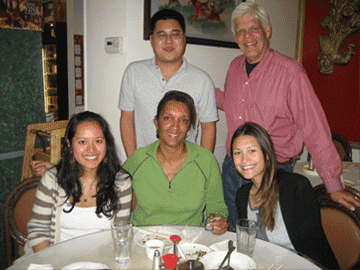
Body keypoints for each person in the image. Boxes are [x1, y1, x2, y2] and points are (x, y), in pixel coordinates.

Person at [216, 2, 360, 231]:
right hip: (234, 170)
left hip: (274, 174)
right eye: (240, 31)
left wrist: (333, 184)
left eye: (254, 28)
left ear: (267, 30)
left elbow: (314, 126)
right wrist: (202, 91)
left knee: (270, 245)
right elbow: (234, 105)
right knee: (236, 235)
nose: (247, 36)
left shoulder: (290, 72)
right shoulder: (234, 66)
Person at [232, 122, 339, 270]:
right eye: (238, 152)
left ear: (267, 154)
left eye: (251, 151)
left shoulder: (296, 187)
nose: (244, 160)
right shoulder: (242, 196)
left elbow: (313, 253)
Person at [122, 91, 228, 235]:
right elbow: (115, 200)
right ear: (156, 122)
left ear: (189, 125)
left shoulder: (205, 160)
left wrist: (218, 221)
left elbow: (217, 207)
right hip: (143, 239)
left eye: (183, 120)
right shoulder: (138, 158)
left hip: (189, 241)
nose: (175, 127)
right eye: (167, 118)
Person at [26, 111, 132, 254]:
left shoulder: (121, 182)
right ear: (69, 145)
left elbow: (120, 232)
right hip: (53, 259)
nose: (91, 149)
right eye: (82, 142)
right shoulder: (52, 180)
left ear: (106, 144)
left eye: (98, 141)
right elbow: (38, 231)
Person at [119, 9, 218, 158]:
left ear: (184, 39)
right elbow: (126, 119)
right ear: (152, 40)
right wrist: (134, 161)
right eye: (161, 35)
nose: (169, 41)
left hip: (186, 166)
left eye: (175, 34)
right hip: (145, 164)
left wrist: (202, 166)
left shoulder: (202, 80)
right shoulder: (134, 72)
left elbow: (208, 127)